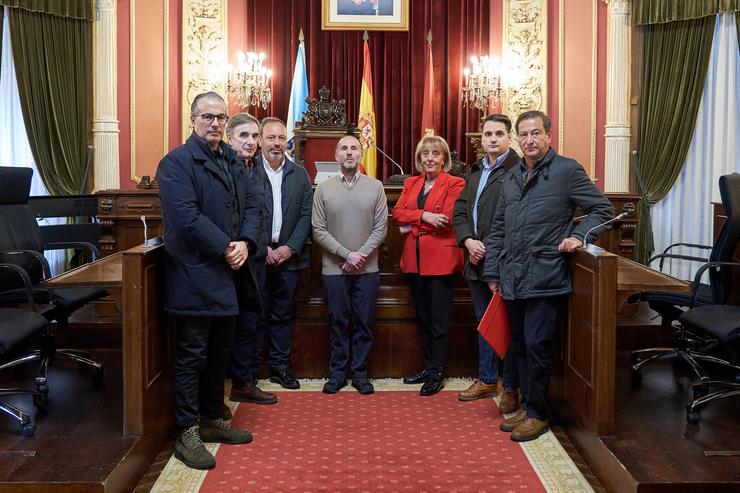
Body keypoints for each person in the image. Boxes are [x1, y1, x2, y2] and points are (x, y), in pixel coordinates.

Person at [483, 110, 614, 442]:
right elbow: (499, 228)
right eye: (523, 134)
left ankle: (538, 414)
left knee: (539, 347)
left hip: (545, 275)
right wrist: (493, 271)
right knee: (521, 347)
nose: (529, 140)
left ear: (548, 135)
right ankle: (527, 406)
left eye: (536, 134)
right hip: (511, 275)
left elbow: (603, 210)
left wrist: (580, 235)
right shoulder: (511, 176)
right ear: (517, 138)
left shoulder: (566, 171)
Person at [156, 92, 261, 470]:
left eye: (220, 117)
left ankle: (213, 417)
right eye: (207, 117)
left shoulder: (231, 159)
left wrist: (246, 243)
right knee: (193, 355)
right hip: (195, 273)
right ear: (192, 119)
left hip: (231, 271)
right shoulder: (176, 163)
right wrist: (226, 246)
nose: (215, 123)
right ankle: (187, 431)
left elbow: (251, 207)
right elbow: (185, 218)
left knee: (221, 350)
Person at [239, 117, 313, 392]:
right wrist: (263, 248)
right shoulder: (247, 170)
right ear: (260, 140)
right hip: (257, 257)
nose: (277, 143)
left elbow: (307, 214)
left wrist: (288, 248)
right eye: (271, 138)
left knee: (282, 315)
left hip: (289, 258)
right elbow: (244, 214)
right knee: (254, 315)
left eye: (281, 138)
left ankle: (280, 368)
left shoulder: (300, 174)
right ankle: (249, 373)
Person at [453, 114, 520, 408]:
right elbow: (460, 212)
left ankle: (513, 386)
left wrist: (487, 248)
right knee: (485, 323)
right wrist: (468, 240)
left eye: (499, 134)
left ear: (509, 138)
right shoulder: (476, 171)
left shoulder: (518, 170)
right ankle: (488, 378)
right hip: (475, 260)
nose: (492, 139)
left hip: (504, 262)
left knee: (512, 326)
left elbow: (511, 220)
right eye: (488, 134)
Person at [312, 135, 388, 395]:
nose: (349, 152)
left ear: (360, 154)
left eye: (354, 148)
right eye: (344, 148)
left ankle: (360, 374)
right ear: (336, 156)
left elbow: (381, 228)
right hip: (334, 270)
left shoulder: (375, 186)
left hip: (367, 270)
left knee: (363, 322)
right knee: (338, 323)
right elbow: (318, 229)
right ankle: (337, 374)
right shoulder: (323, 188)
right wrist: (346, 254)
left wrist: (360, 256)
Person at [392, 135, 465, 396]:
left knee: (439, 322)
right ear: (419, 158)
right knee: (423, 319)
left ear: (444, 158)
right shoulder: (411, 183)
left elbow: (445, 219)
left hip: (441, 260)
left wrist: (414, 224)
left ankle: (437, 373)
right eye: (425, 154)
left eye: (435, 154)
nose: (430, 158)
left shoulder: (455, 183)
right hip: (414, 260)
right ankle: (427, 367)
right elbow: (397, 213)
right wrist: (424, 216)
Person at [224, 113, 277, 406]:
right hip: (230, 257)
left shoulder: (256, 167)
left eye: (255, 136)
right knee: (229, 325)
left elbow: (258, 210)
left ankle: (244, 381)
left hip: (254, 256)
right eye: (244, 136)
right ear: (229, 138)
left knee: (251, 320)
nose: (251, 142)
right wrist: (238, 246)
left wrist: (254, 245)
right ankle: (225, 386)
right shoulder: (224, 166)